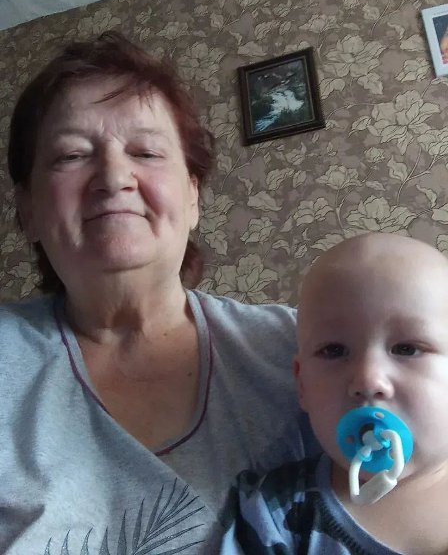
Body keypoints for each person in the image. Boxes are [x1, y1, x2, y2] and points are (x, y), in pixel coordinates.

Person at [1, 32, 315, 554]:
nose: (113, 177)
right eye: (71, 155)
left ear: (193, 196)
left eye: (146, 151)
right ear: (28, 209)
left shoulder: (307, 352)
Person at [222, 233, 448, 555]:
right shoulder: (273, 515)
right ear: (302, 384)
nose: (367, 380)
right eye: (334, 350)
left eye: (407, 349)